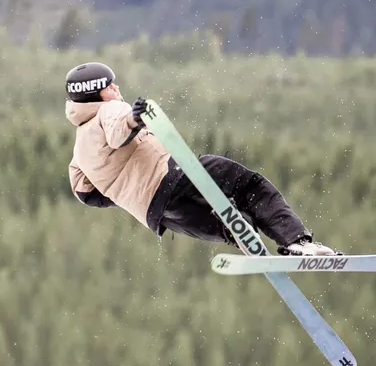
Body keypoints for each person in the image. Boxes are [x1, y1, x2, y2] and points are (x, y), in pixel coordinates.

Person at [64, 61, 340, 256]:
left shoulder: (79, 151)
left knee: (229, 223)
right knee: (249, 187)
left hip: (157, 213)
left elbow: (85, 192)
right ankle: (297, 241)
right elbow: (117, 130)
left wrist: (126, 191)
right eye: (111, 85)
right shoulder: (109, 110)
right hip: (172, 178)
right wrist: (134, 118)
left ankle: (241, 233)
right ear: (97, 91)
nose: (117, 88)